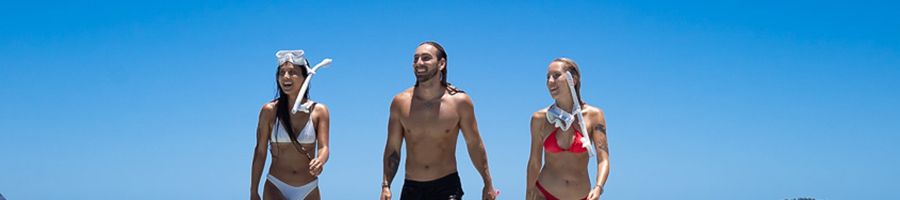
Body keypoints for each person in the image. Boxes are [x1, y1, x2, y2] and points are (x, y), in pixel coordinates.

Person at [381, 41, 498, 200]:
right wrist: (386, 185)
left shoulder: (459, 102)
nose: (419, 63)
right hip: (412, 188)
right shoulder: (400, 103)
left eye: (426, 58)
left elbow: (474, 144)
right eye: (415, 59)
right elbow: (393, 148)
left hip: (447, 187)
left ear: (441, 63)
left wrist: (488, 183)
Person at [251, 50, 331, 200]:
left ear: (306, 77)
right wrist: (253, 191)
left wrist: (320, 160)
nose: (286, 77)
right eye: (282, 73)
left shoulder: (319, 111)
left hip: (309, 188)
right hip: (276, 185)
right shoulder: (269, 111)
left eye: (292, 72)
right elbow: (260, 151)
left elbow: (324, 147)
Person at [526, 58, 610, 200]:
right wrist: (528, 194)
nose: (550, 81)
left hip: (583, 196)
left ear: (573, 79)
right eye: (548, 77)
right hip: (544, 194)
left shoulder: (594, 116)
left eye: (556, 75)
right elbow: (534, 162)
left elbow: (603, 160)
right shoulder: (540, 118)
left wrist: (598, 188)